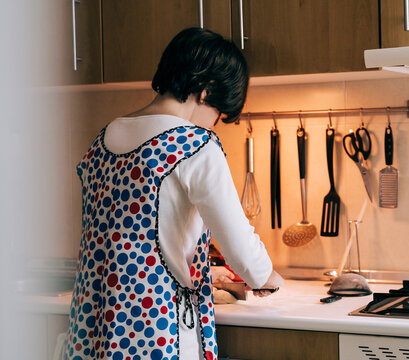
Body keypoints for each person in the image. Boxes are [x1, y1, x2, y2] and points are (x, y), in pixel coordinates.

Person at [65, 27, 283, 360]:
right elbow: (241, 248)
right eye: (219, 116)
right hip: (157, 331)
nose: (213, 125)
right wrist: (267, 276)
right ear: (206, 92)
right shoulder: (195, 145)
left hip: (94, 329)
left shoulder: (104, 139)